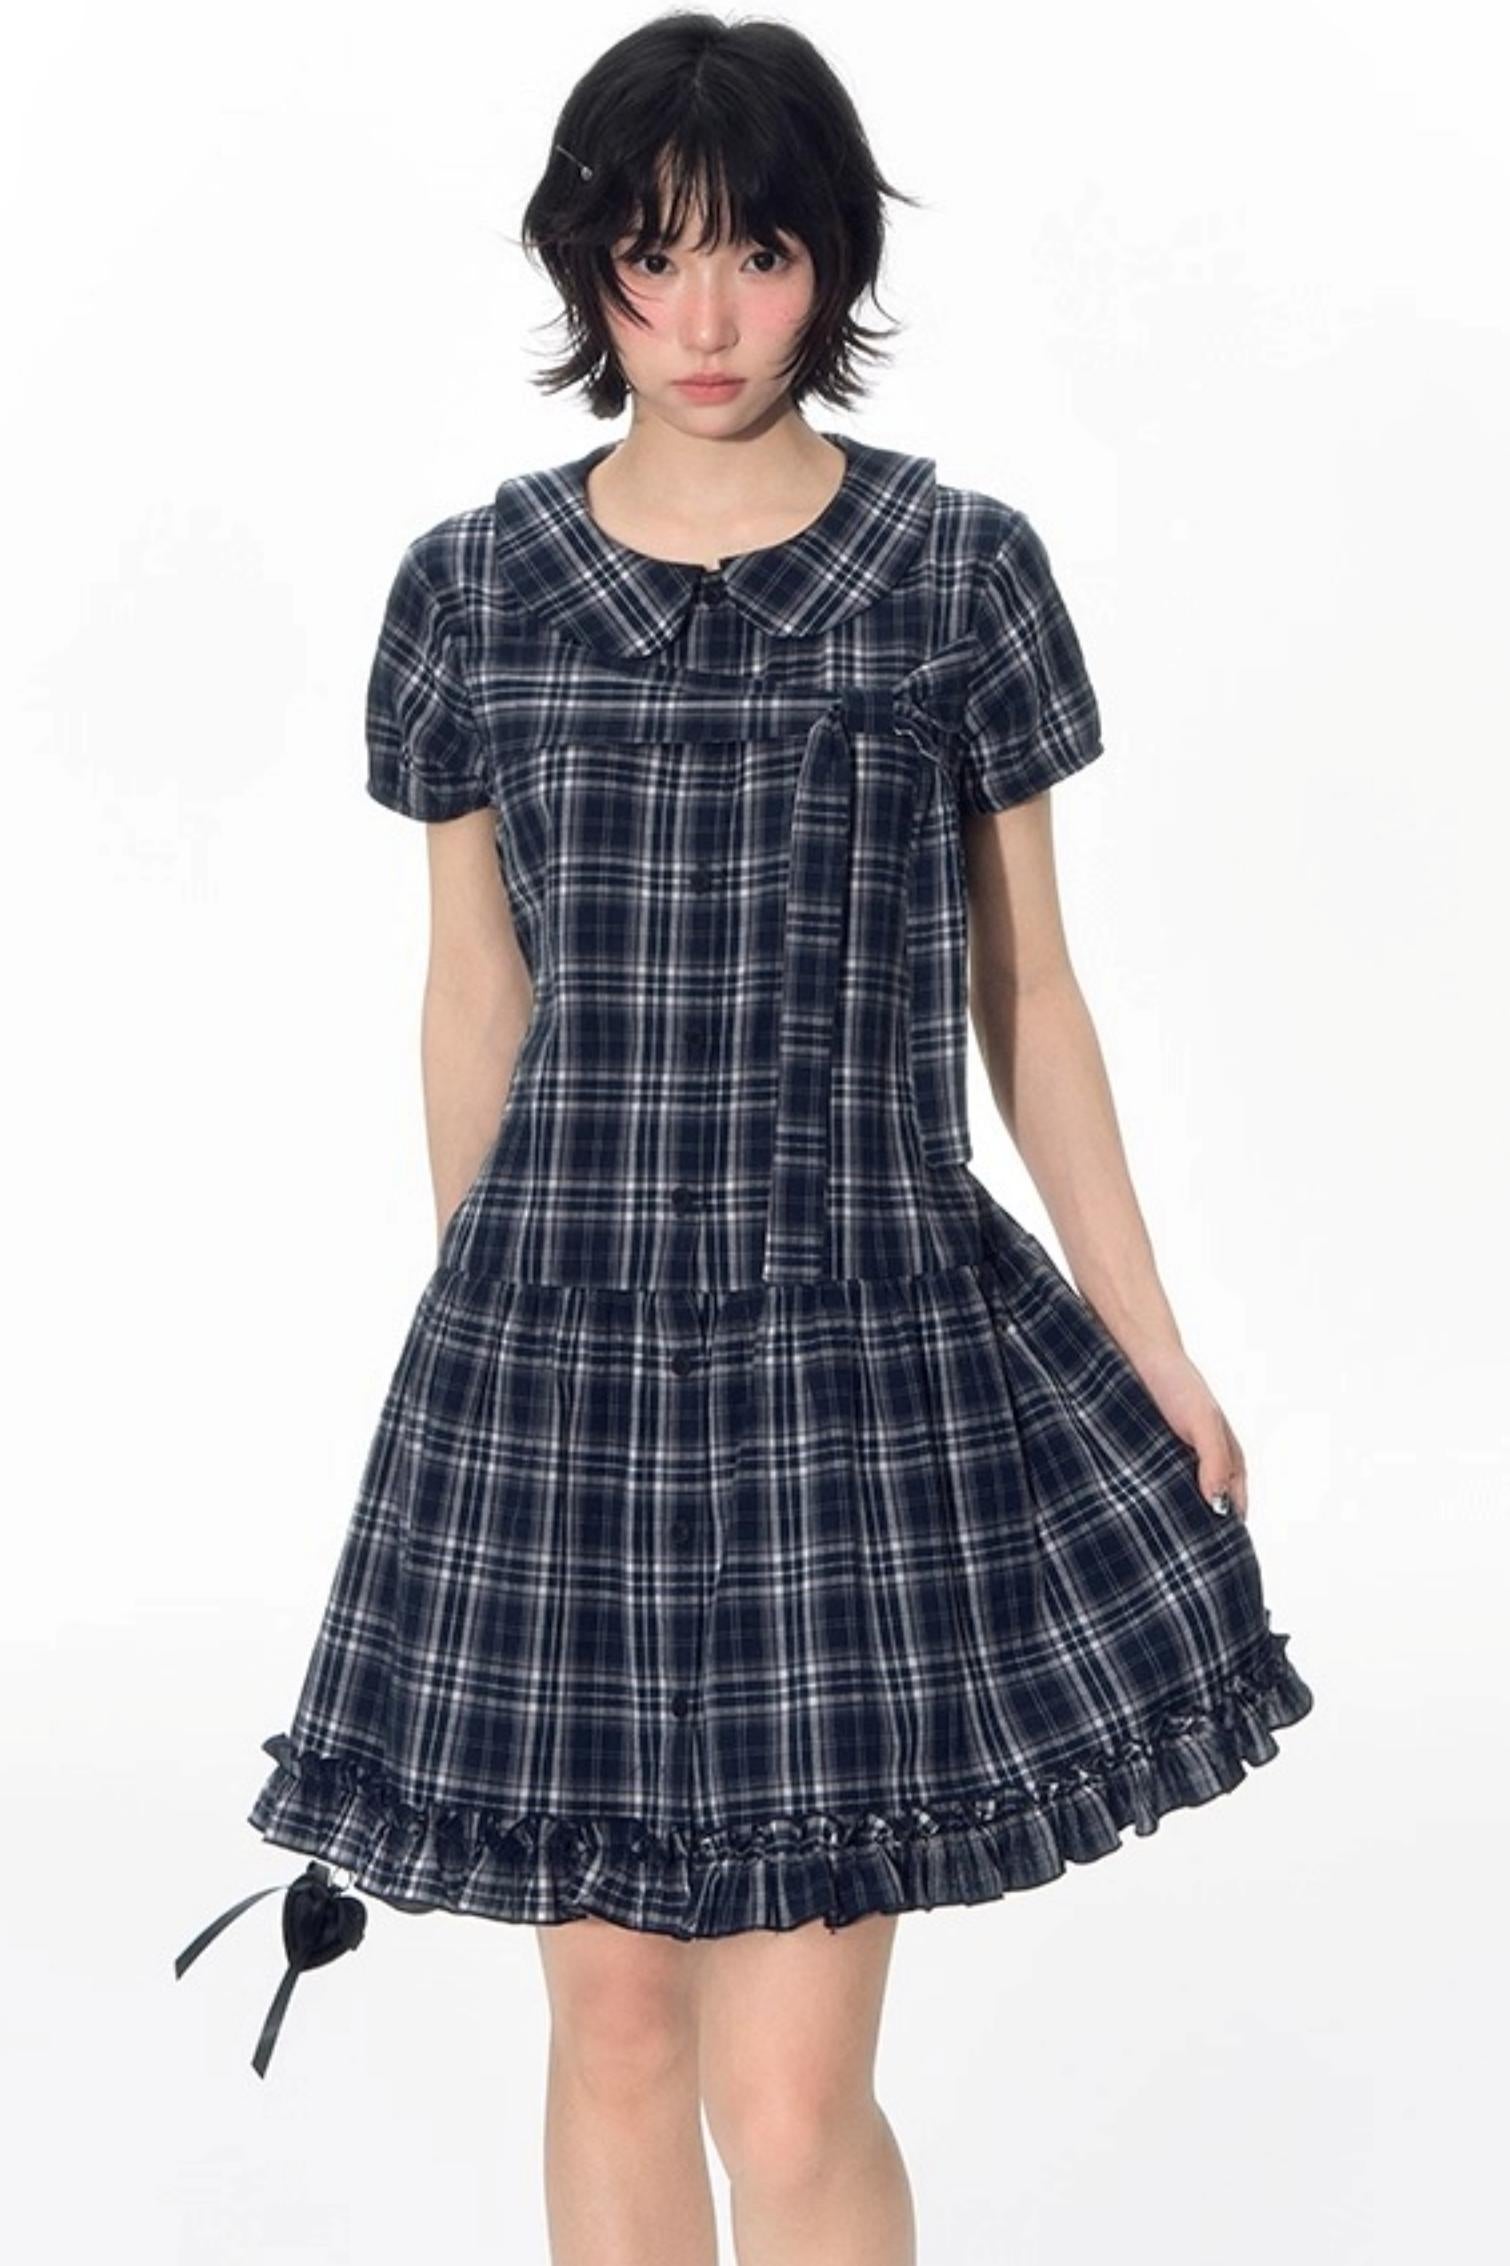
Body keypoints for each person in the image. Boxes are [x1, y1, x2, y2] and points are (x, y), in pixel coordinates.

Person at [226, 13, 1314, 2262]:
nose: (705, 319)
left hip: (853, 1358)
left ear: (830, 263)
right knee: (615, 2033)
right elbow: (470, 992)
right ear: (585, 273)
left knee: (788, 2086)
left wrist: (1151, 1335)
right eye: (651, 260)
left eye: (756, 254)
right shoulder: (472, 587)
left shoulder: (954, 568)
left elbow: (1030, 993)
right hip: (558, 1359)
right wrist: (479, 1361)